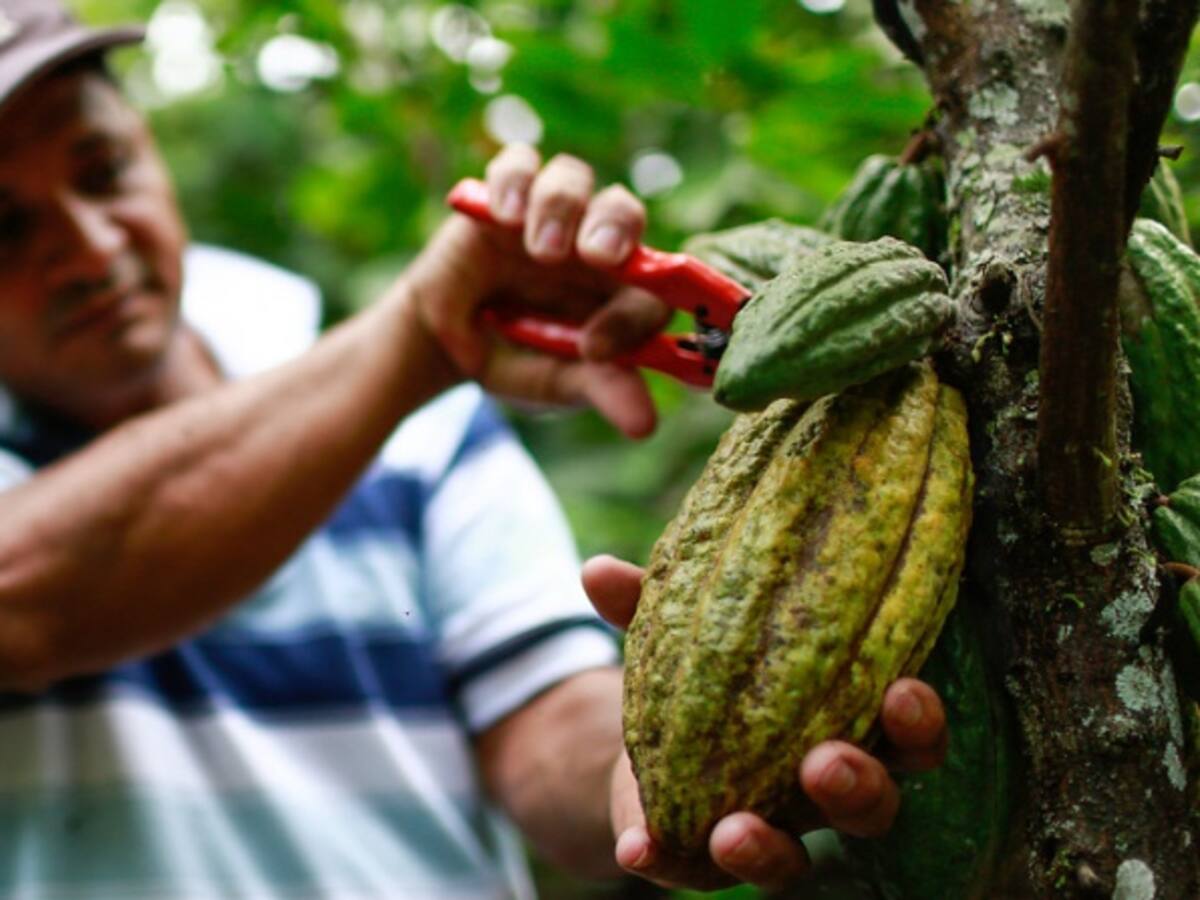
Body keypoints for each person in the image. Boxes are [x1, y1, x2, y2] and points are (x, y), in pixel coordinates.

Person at [0, 1, 950, 897]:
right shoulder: (391, 384)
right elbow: (21, 603)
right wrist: (421, 338)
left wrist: (670, 756)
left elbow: (541, 731)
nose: (87, 246)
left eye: (102, 170)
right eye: (5, 226)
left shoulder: (423, 430)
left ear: (149, 148)